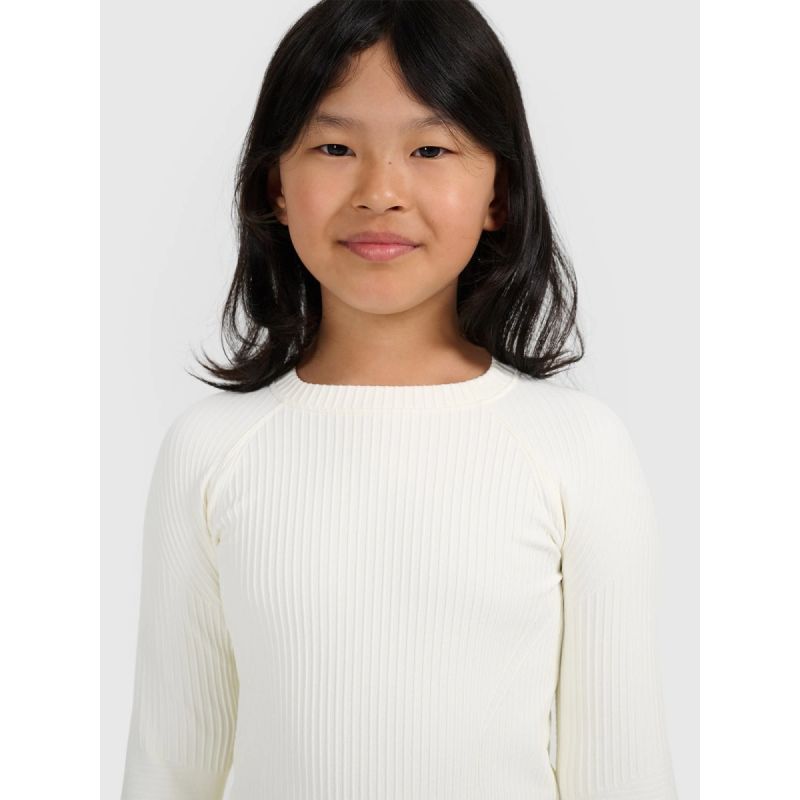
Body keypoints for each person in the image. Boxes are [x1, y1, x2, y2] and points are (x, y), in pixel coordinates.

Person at [120, 1, 679, 798]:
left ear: (499, 193)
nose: (380, 191)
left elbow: (622, 774)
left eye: (430, 148)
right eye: (335, 147)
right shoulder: (209, 451)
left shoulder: (578, 448)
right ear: (276, 186)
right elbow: (170, 771)